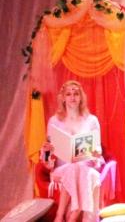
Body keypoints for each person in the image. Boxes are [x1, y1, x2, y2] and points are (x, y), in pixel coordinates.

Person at [41, 80, 104, 222]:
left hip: (85, 168)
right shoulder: (54, 121)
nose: (72, 97)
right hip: (61, 170)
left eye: (76, 94)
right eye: (68, 94)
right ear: (63, 98)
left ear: (81, 97)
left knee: (77, 168)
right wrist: (47, 154)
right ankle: (75, 213)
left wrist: (96, 152)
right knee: (73, 168)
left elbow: (98, 147)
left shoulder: (92, 120)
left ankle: (61, 216)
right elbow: (48, 154)